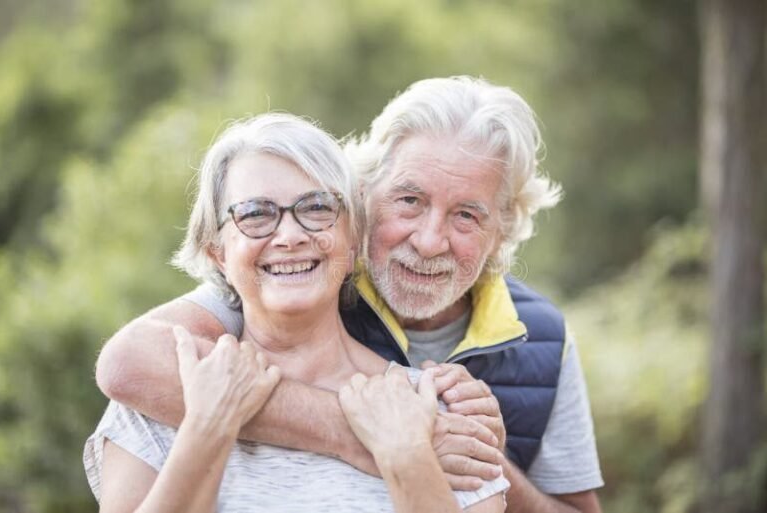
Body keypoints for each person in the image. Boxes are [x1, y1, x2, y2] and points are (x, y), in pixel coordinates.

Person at [96, 76, 604, 512]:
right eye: (410, 200)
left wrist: (475, 452)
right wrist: (358, 434)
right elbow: (127, 362)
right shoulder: (257, 304)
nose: (430, 241)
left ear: (502, 231)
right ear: (364, 202)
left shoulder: (538, 343)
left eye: (467, 215)